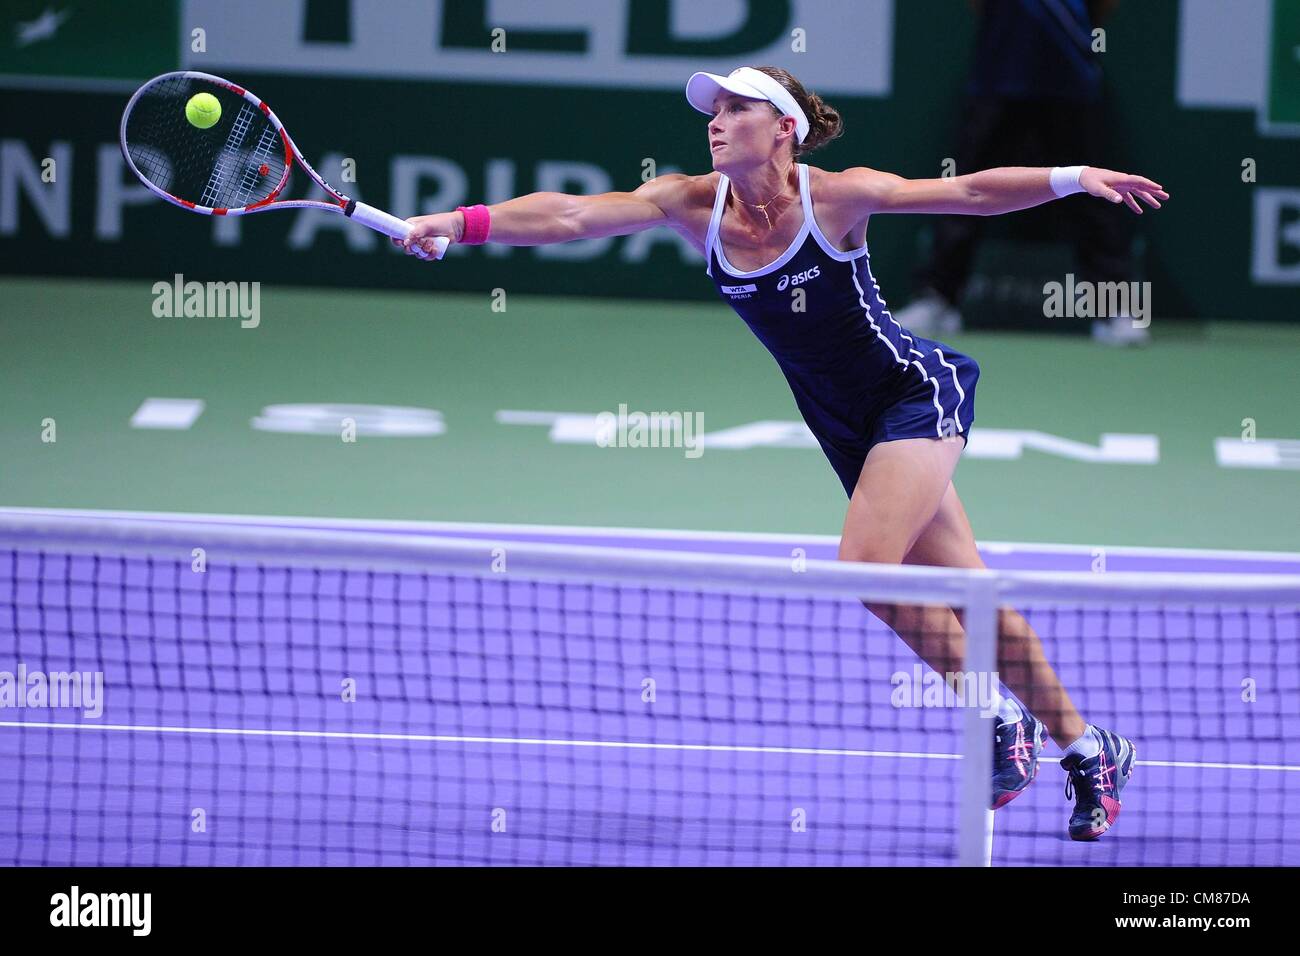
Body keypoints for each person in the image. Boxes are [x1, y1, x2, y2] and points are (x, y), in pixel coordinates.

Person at [398, 65, 1167, 840]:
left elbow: (967, 193)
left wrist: (1073, 177)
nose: (717, 120)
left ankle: (999, 715)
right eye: (715, 109)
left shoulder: (835, 197)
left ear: (784, 127)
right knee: (976, 598)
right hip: (840, 424)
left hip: (912, 395)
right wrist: (459, 224)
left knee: (866, 566)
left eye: (738, 108)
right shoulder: (689, 203)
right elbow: (568, 216)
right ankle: (1091, 749)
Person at [895, 0, 1145, 344]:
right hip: (998, 73)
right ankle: (938, 299)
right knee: (962, 193)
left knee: (1094, 194)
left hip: (1071, 78)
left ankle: (1115, 309)